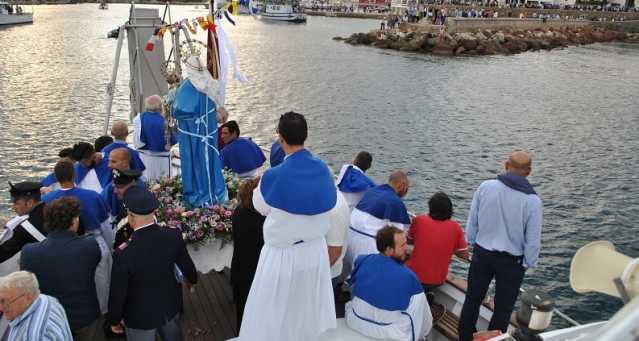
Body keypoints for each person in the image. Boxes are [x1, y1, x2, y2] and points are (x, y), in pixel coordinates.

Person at [238, 112, 337, 341]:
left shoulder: (273, 176)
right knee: (309, 313)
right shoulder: (324, 170)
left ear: (280, 138)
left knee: (273, 317)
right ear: (306, 135)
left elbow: (259, 206)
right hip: (314, 253)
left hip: (282, 255)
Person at [458, 150, 543, 341]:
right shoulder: (532, 201)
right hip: (512, 262)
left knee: (473, 298)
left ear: (506, 166)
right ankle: (494, 339)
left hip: (482, 254)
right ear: (528, 172)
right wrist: (528, 263)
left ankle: (464, 337)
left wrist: (471, 241)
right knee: (503, 308)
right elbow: (532, 240)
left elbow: (473, 221)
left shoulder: (485, 187)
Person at [107, 186, 197, 341]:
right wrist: (192, 280)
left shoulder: (123, 253)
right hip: (169, 308)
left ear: (131, 216)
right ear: (154, 212)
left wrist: (114, 320)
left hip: (139, 319)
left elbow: (118, 293)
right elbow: (187, 266)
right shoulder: (173, 235)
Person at [20, 198, 102, 341]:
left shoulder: (29, 252)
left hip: (50, 322)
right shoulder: (89, 246)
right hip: (85, 318)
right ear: (74, 220)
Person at [42, 159, 113, 314]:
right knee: (101, 284)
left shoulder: (46, 200)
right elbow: (106, 226)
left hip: (59, 247)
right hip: (93, 241)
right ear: (74, 175)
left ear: (56, 177)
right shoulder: (92, 196)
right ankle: (103, 314)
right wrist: (109, 247)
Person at [345, 226, 432, 340]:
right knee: (419, 306)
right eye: (402, 245)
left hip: (355, 320)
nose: (407, 248)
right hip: (385, 331)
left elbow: (351, 285)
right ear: (388, 250)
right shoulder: (409, 277)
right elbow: (418, 316)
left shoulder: (362, 260)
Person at [343, 171, 410, 275]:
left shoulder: (372, 191)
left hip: (348, 239)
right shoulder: (395, 202)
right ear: (402, 185)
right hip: (366, 246)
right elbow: (400, 234)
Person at [406, 192, 469, 294]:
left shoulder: (419, 220)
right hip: (437, 280)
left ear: (430, 207)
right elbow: (465, 255)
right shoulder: (456, 227)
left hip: (415, 276)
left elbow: (409, 241)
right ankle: (426, 295)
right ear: (450, 210)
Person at [230, 178, 265, 334]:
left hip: (240, 269)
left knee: (242, 312)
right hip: (257, 272)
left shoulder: (238, 212)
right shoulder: (263, 220)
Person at [0, 271, 73, 341]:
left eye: (4, 301)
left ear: (27, 298)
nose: (1, 308)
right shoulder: (46, 299)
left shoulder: (32, 337)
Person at [0, 182, 46, 266]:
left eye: (17, 203)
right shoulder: (56, 210)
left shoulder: (26, 229)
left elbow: (3, 253)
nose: (13, 207)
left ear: (30, 203)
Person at [134, 95, 176, 181]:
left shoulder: (139, 119)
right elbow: (173, 140)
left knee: (146, 181)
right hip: (162, 159)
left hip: (143, 157)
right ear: (160, 106)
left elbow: (137, 139)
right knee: (163, 184)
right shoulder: (165, 121)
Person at [97, 121, 146, 186]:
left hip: (107, 183)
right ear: (127, 133)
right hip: (127, 185)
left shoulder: (104, 150)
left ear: (112, 133)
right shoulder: (133, 152)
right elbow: (139, 171)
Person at [102, 168, 144, 237]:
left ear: (133, 183)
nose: (115, 191)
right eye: (115, 187)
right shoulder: (128, 202)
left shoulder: (139, 208)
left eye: (119, 187)